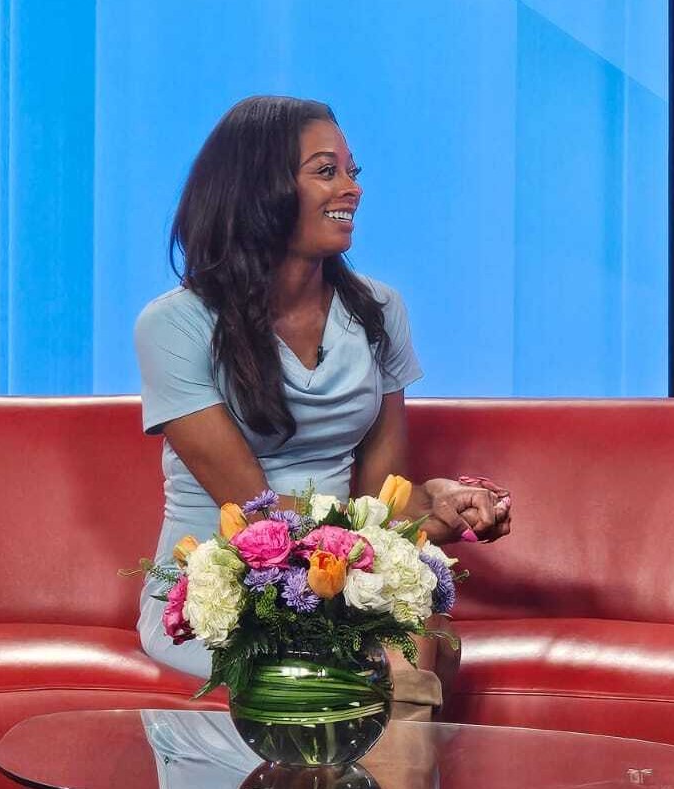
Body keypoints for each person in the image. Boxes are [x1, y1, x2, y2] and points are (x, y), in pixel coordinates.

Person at [134, 96, 511, 709]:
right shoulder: (174, 325)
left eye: (352, 172)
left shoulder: (379, 310)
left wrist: (436, 499)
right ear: (261, 190)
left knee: (418, 643)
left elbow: (378, 495)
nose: (352, 189)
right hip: (223, 586)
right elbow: (253, 512)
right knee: (388, 661)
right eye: (325, 170)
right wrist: (401, 521)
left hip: (344, 579)